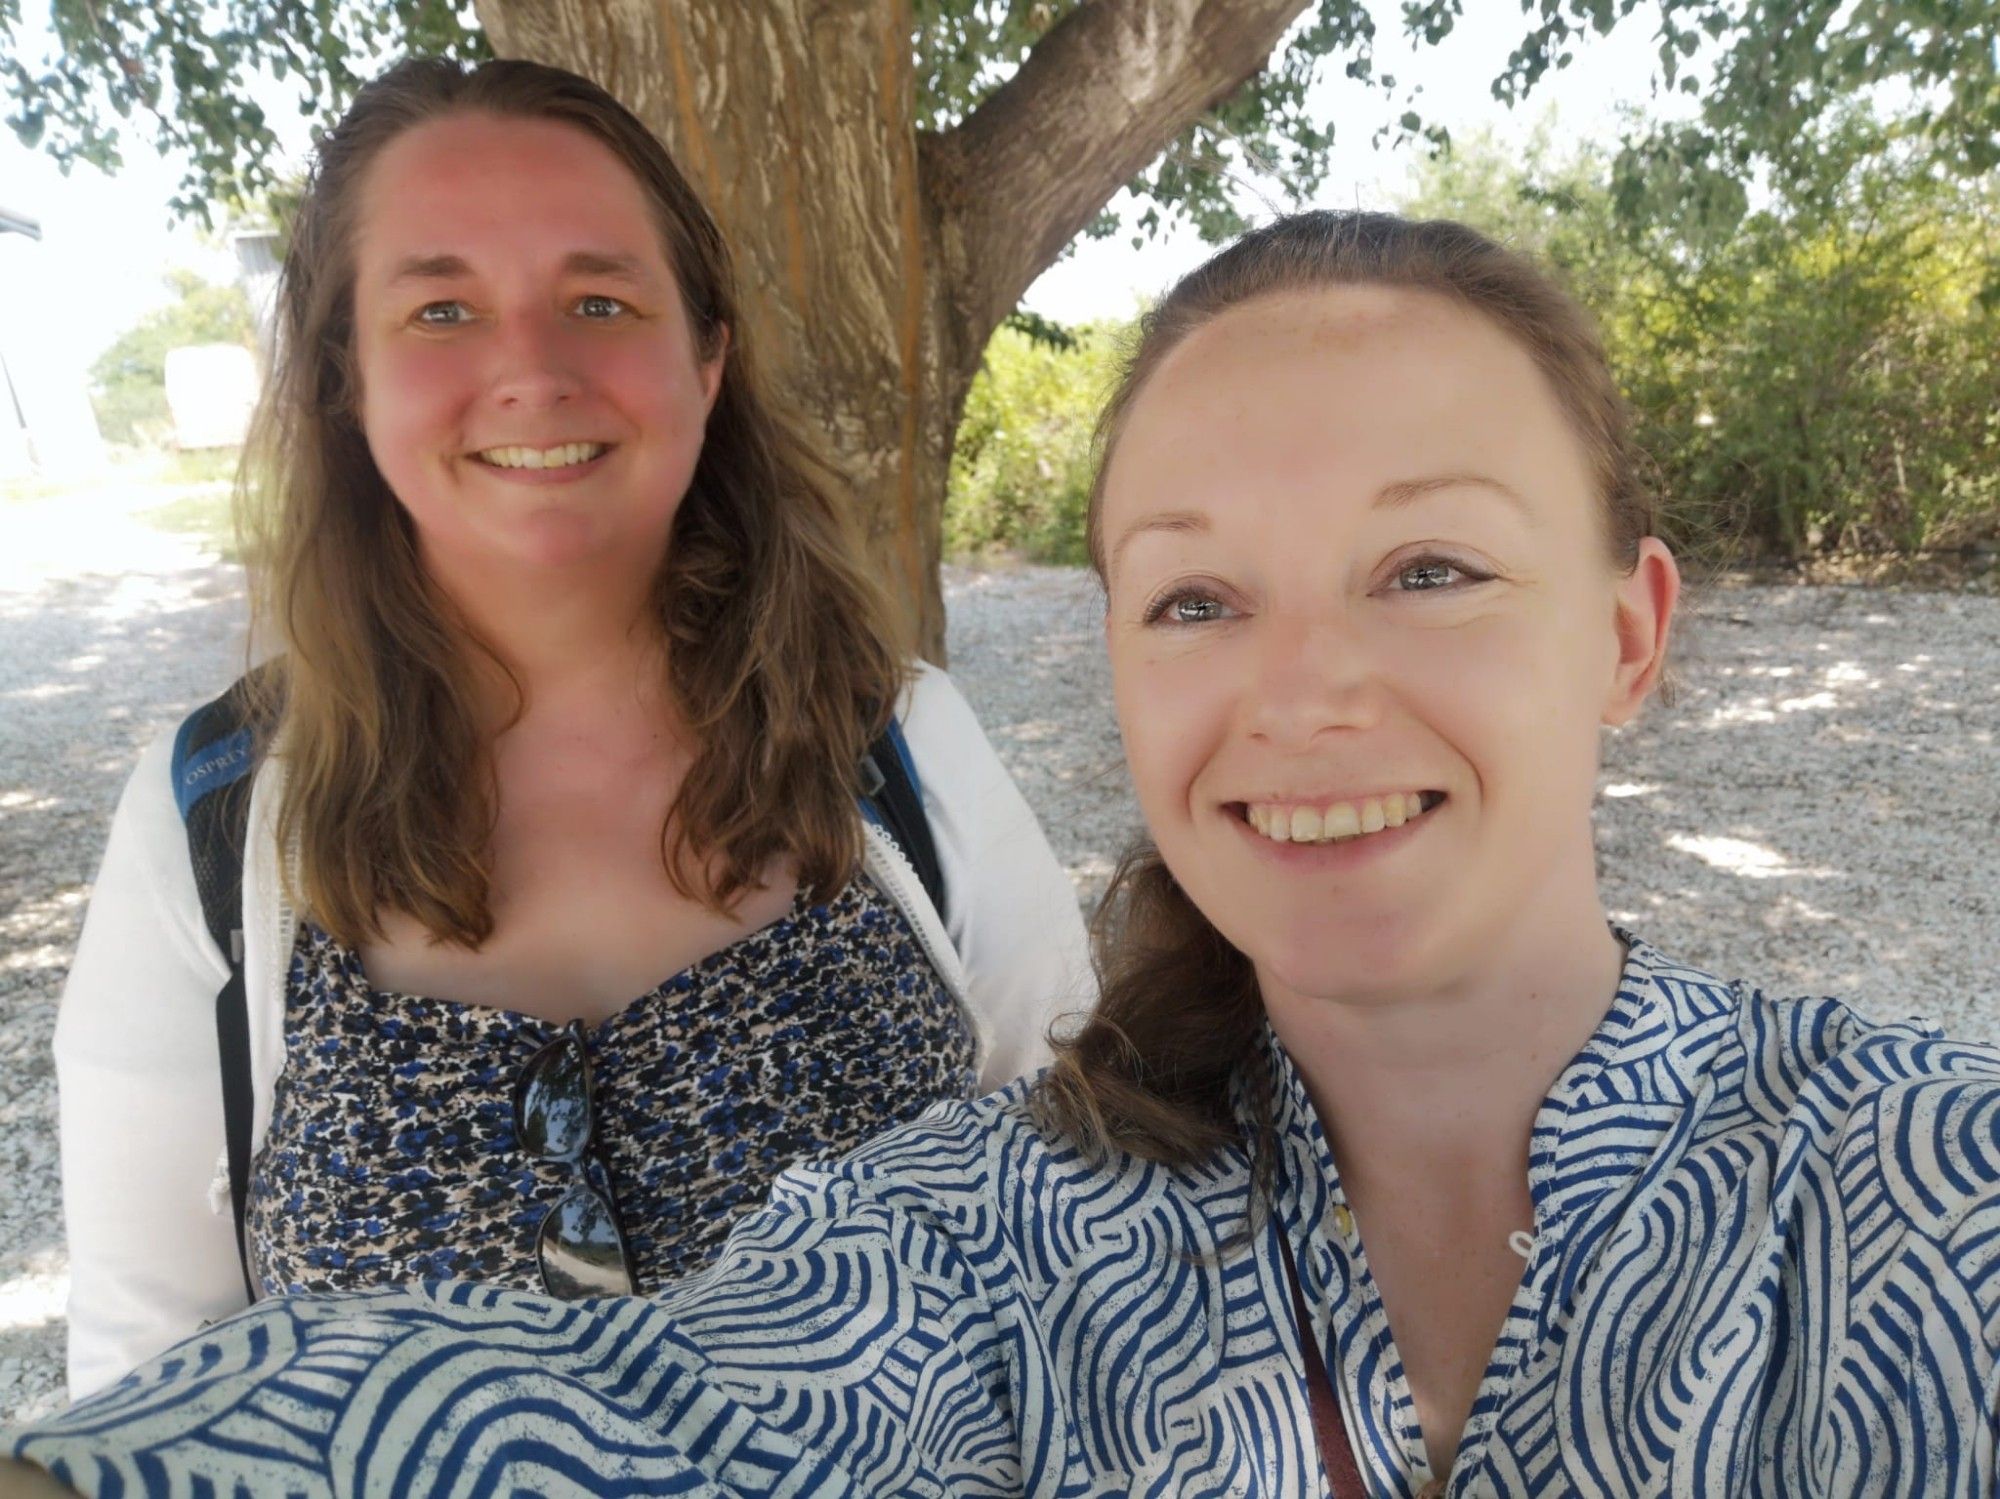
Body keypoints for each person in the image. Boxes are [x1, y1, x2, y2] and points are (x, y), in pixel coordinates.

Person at [11, 210, 1998, 1497]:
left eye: (1429, 569)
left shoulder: (1922, 1191)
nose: (1302, 694)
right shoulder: (984, 1238)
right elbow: (625, 1420)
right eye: (1196, 600)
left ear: (1631, 634)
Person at [50, 57, 1091, 1401]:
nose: (531, 370)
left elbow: (1081, 1213)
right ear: (344, 380)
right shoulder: (209, 820)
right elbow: (145, 1386)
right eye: (440, 309)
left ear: (706, 359)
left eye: (600, 300)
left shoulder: (897, 744)